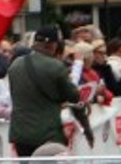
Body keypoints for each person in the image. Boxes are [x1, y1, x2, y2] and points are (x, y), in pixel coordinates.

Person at [6, 26, 78, 157]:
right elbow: (74, 96)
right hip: (47, 134)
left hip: (20, 134)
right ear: (53, 44)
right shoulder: (56, 66)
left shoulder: (15, 64)